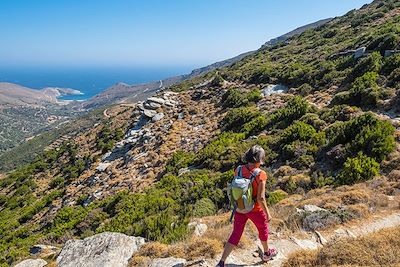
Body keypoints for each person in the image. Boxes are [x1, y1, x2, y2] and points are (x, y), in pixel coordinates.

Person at [217, 145, 277, 266]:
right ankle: (266, 253)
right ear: (260, 159)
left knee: (236, 233)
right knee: (263, 229)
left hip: (240, 207)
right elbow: (260, 198)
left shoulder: (238, 169)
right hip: (254, 209)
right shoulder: (261, 174)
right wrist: (268, 213)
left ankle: (222, 261)